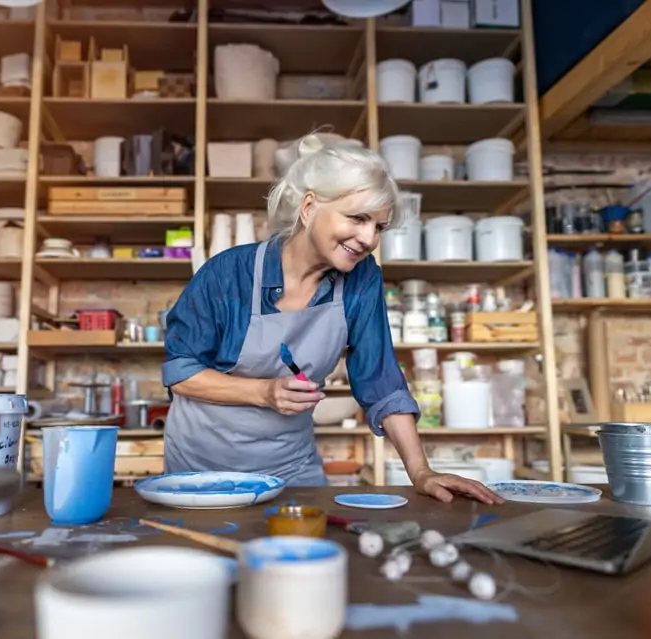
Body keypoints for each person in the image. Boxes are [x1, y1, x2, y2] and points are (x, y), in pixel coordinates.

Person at [160, 134, 503, 505]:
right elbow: (181, 373)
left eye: (379, 227)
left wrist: (420, 471)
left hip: (290, 468)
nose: (369, 238)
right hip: (201, 468)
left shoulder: (362, 277)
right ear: (309, 208)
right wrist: (263, 392)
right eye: (358, 218)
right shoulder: (228, 273)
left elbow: (381, 380)